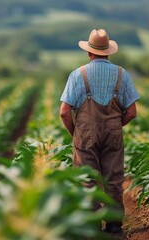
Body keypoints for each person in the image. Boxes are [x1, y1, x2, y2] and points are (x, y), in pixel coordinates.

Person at [59, 29, 139, 235]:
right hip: (113, 133)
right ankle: (113, 226)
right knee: (113, 179)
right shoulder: (122, 74)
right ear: (108, 52)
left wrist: (75, 132)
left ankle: (91, 226)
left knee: (87, 180)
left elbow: (64, 112)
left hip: (85, 134)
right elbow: (132, 111)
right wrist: (115, 125)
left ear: (89, 52)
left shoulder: (78, 74)